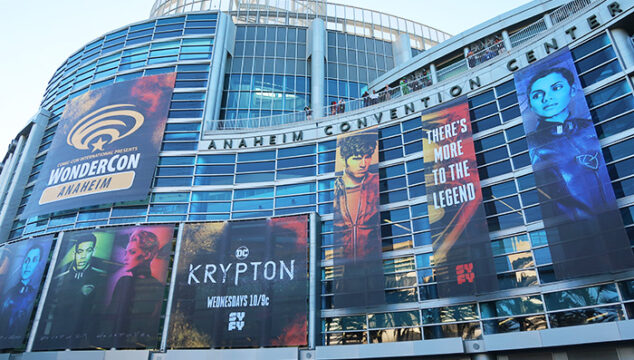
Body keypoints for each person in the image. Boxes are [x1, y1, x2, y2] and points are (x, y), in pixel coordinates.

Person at [525, 67, 614, 222]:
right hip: (581, 232)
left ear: (572, 90)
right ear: (531, 105)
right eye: (538, 95)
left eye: (556, 88)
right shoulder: (533, 145)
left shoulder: (591, 128)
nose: (547, 98)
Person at [107, 229, 164, 348]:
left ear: (147, 255)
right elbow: (110, 317)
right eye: (126, 253)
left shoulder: (158, 288)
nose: (125, 258)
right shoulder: (123, 282)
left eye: (132, 252)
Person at [48, 233, 107, 347]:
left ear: (93, 252)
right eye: (80, 252)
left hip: (86, 336)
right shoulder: (60, 278)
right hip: (58, 335)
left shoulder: (100, 277)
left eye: (88, 251)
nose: (83, 256)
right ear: (75, 253)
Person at [333, 133, 380, 261]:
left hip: (372, 263)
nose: (363, 164)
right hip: (344, 265)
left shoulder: (375, 183)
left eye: (368, 157)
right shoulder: (335, 189)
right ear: (343, 159)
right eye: (357, 158)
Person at [0, 245, 42, 337]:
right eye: (26, 261)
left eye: (34, 260)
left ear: (38, 265)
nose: (28, 265)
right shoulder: (9, 293)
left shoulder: (36, 294)